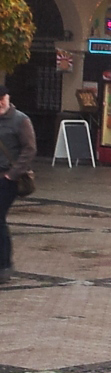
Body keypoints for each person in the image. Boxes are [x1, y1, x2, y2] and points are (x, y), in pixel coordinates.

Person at [0, 85, 36, 283]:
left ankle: (4, 265)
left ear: (8, 98)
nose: (0, 103)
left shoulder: (20, 120)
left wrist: (12, 174)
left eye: (2, 98)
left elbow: (29, 149)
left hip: (8, 179)